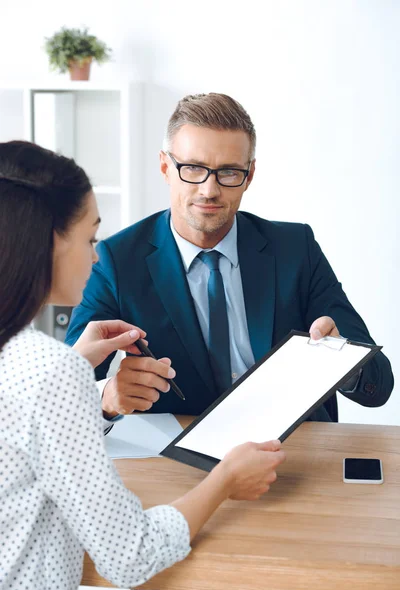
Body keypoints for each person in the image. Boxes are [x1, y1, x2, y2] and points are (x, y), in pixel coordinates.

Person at [0, 140, 286, 590]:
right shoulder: (51, 369)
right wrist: (225, 481)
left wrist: (75, 366)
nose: (96, 256)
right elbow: (130, 555)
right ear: (51, 239)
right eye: (90, 238)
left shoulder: (34, 362)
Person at [66, 92, 393, 425]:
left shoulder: (297, 249)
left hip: (294, 446)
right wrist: (106, 397)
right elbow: (66, 386)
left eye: (228, 173)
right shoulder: (116, 261)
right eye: (193, 168)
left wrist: (342, 361)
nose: (209, 190)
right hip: (178, 457)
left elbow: (378, 387)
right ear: (166, 167)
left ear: (249, 176)